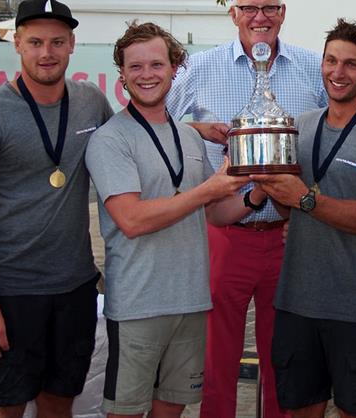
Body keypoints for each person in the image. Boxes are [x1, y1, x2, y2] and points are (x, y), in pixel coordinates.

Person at [166, 0, 326, 418]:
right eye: (250, 9)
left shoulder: (313, 68)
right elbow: (156, 122)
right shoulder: (201, 69)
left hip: (291, 235)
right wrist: (199, 130)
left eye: (270, 9)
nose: (261, 18)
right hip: (225, 232)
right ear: (233, 13)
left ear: (283, 14)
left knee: (284, 353)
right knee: (217, 355)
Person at [0, 0, 113, 417]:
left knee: (59, 403)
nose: (47, 53)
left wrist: (192, 130)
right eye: (36, 42)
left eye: (57, 42)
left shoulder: (91, 101)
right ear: (17, 44)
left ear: (72, 45)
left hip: (74, 287)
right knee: (7, 408)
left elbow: (131, 141)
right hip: (11, 292)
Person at [85, 22, 253, 418]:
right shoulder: (111, 139)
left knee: (172, 409)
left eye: (157, 64)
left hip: (191, 301)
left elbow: (212, 214)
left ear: (175, 68)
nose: (147, 75)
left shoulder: (190, 137)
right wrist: (209, 189)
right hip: (138, 306)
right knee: (124, 412)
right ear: (122, 75)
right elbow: (131, 220)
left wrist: (259, 194)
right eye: (136, 67)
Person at [252, 19, 356, 418]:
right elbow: (289, 207)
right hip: (297, 303)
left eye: (351, 64)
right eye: (331, 61)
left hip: (354, 305)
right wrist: (269, 189)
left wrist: (305, 200)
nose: (338, 73)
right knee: (301, 409)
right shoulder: (301, 125)